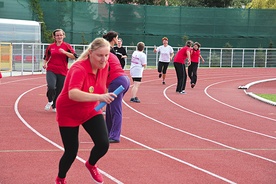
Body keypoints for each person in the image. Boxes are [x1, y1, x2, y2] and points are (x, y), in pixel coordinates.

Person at [54, 38, 116, 184]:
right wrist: (101, 96)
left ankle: (91, 164)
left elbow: (100, 86)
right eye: (100, 55)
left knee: (103, 143)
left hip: (90, 109)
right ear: (90, 53)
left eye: (107, 55)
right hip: (68, 112)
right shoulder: (79, 69)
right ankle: (60, 178)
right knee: (71, 152)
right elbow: (73, 94)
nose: (104, 59)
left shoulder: (104, 66)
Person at [103, 31, 130, 143]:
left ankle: (114, 136)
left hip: (117, 81)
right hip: (121, 80)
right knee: (110, 108)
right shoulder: (108, 51)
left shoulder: (107, 53)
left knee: (115, 109)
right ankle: (107, 132)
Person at [43, 29, 77, 112]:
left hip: (63, 71)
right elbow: (46, 57)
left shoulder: (67, 46)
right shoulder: (51, 47)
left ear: (64, 36)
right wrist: (45, 63)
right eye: (57, 35)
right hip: (51, 69)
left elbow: (74, 56)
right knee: (51, 86)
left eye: (61, 35)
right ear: (54, 37)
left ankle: (55, 106)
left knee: (59, 89)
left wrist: (65, 52)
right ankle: (50, 101)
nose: (59, 37)